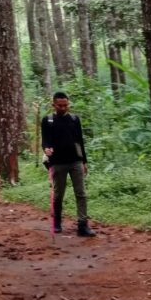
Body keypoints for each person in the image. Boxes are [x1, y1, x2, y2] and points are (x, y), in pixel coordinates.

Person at [42, 91, 96, 237]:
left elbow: (79, 142)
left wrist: (83, 161)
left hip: (75, 162)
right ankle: (57, 222)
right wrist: (46, 149)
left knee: (81, 193)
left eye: (66, 105)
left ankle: (82, 225)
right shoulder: (47, 120)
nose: (63, 108)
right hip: (58, 163)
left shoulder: (74, 119)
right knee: (59, 194)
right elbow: (45, 140)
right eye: (60, 105)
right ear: (54, 105)